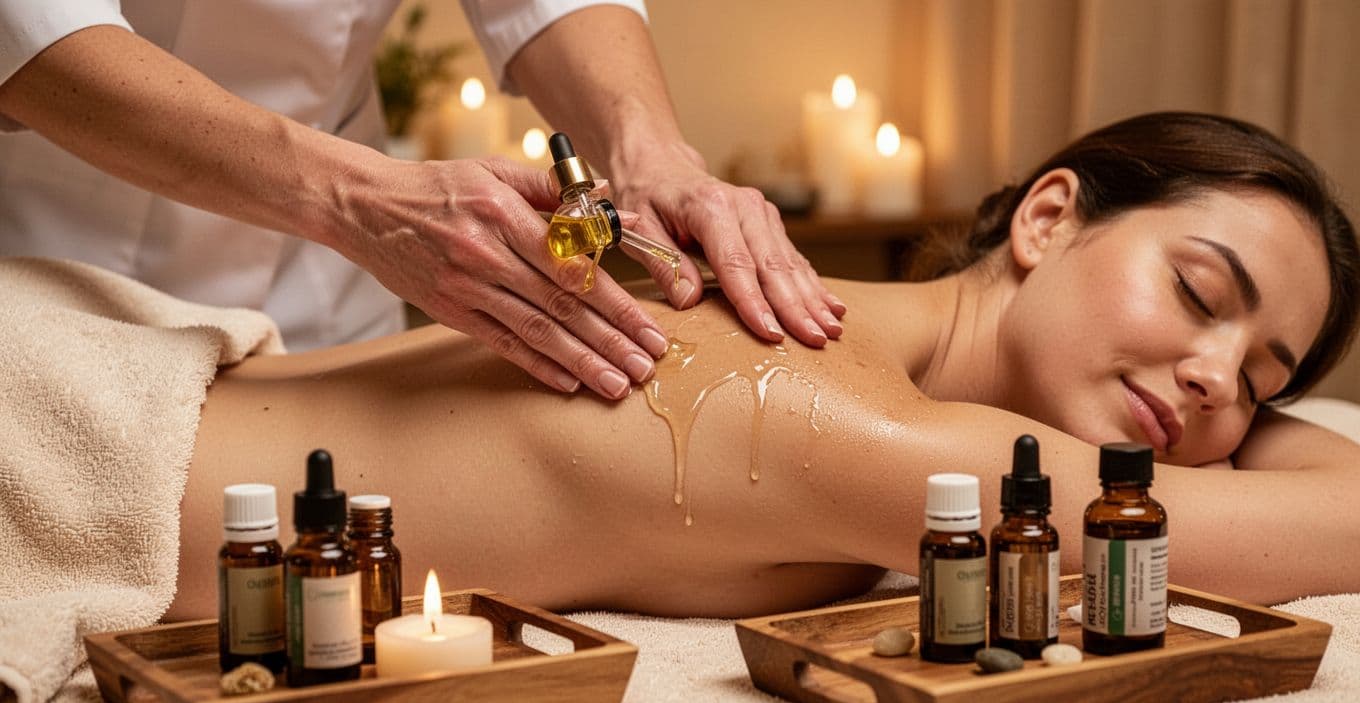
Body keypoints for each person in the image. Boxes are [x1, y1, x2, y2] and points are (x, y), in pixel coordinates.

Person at [155, 112, 1360, 620]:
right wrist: (1267, 422)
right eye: (1199, 294)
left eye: (1262, 381)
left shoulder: (859, 348)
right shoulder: (818, 395)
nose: (1215, 379)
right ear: (1046, 220)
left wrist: (1252, 405)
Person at [0, 1, 843, 402]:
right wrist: (356, 199)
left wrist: (649, 146)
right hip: (63, 261)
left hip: (329, 313)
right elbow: (33, 28)